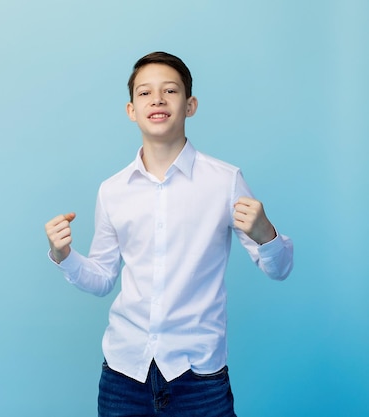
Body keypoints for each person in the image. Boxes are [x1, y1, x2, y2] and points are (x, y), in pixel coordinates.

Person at [44, 52, 294, 417]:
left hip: (199, 379)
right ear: (131, 110)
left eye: (170, 90)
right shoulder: (112, 190)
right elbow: (101, 279)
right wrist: (64, 256)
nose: (157, 99)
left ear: (190, 105)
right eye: (145, 93)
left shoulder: (225, 181)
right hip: (123, 376)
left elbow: (279, 268)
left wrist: (265, 233)